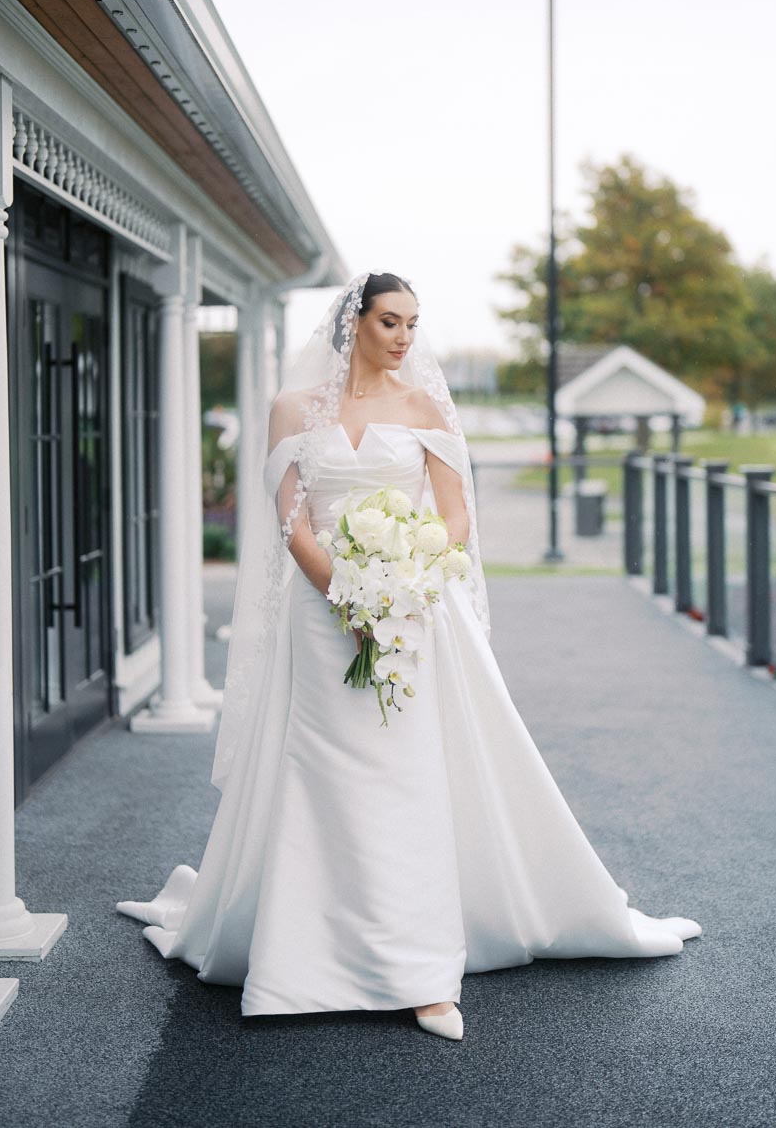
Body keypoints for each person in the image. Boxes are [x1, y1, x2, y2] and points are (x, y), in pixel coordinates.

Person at [117, 270, 701, 1041]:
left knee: (406, 778)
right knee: (320, 776)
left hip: (414, 612)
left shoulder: (427, 408)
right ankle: (302, 959)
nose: (404, 339)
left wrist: (398, 588)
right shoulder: (292, 410)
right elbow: (292, 524)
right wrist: (347, 596)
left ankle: (423, 973)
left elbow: (457, 518)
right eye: (391, 321)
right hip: (322, 617)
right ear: (353, 322)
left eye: (413, 325)